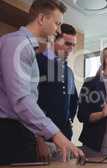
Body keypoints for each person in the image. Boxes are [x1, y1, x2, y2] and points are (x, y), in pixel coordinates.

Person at [0, 0, 83, 165]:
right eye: (57, 23)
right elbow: (22, 99)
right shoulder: (17, 45)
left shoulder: (28, 48)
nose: (58, 30)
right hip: (10, 132)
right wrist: (54, 134)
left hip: (24, 130)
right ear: (42, 18)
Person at [35, 23, 79, 161]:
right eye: (67, 44)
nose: (71, 49)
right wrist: (38, 139)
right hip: (42, 137)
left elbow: (73, 100)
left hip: (65, 135)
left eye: (73, 45)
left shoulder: (69, 71)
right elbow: (28, 102)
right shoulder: (37, 62)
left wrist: (69, 123)